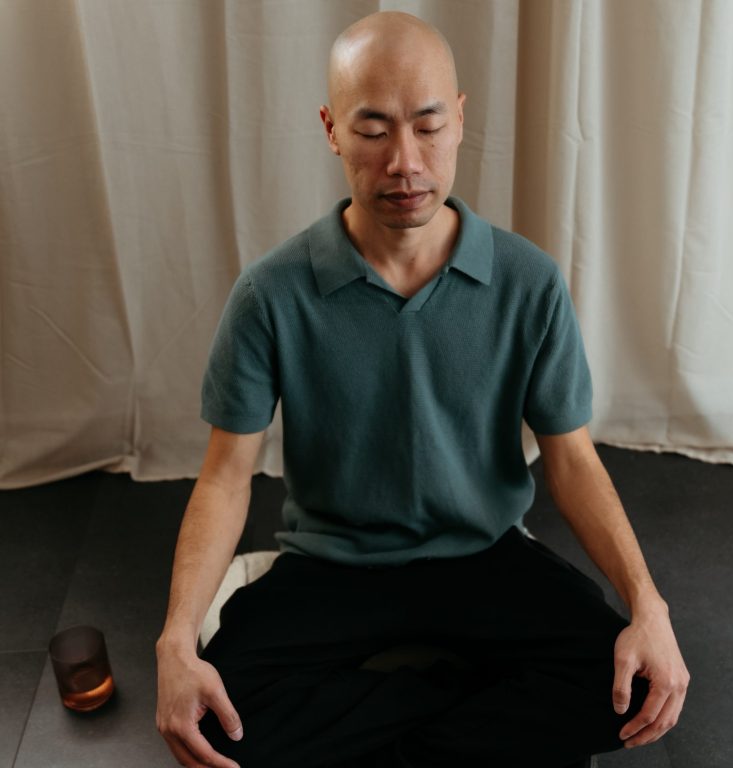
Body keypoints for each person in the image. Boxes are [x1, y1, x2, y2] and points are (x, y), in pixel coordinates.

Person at [156, 11, 689, 768]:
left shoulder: (528, 282)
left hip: (484, 554)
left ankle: (382, 731)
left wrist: (649, 604)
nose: (405, 161)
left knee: (638, 689)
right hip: (334, 561)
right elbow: (224, 477)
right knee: (207, 720)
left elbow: (571, 459)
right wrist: (175, 641)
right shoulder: (270, 294)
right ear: (332, 130)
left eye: (429, 126)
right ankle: (459, 718)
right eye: (372, 131)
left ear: (461, 121)